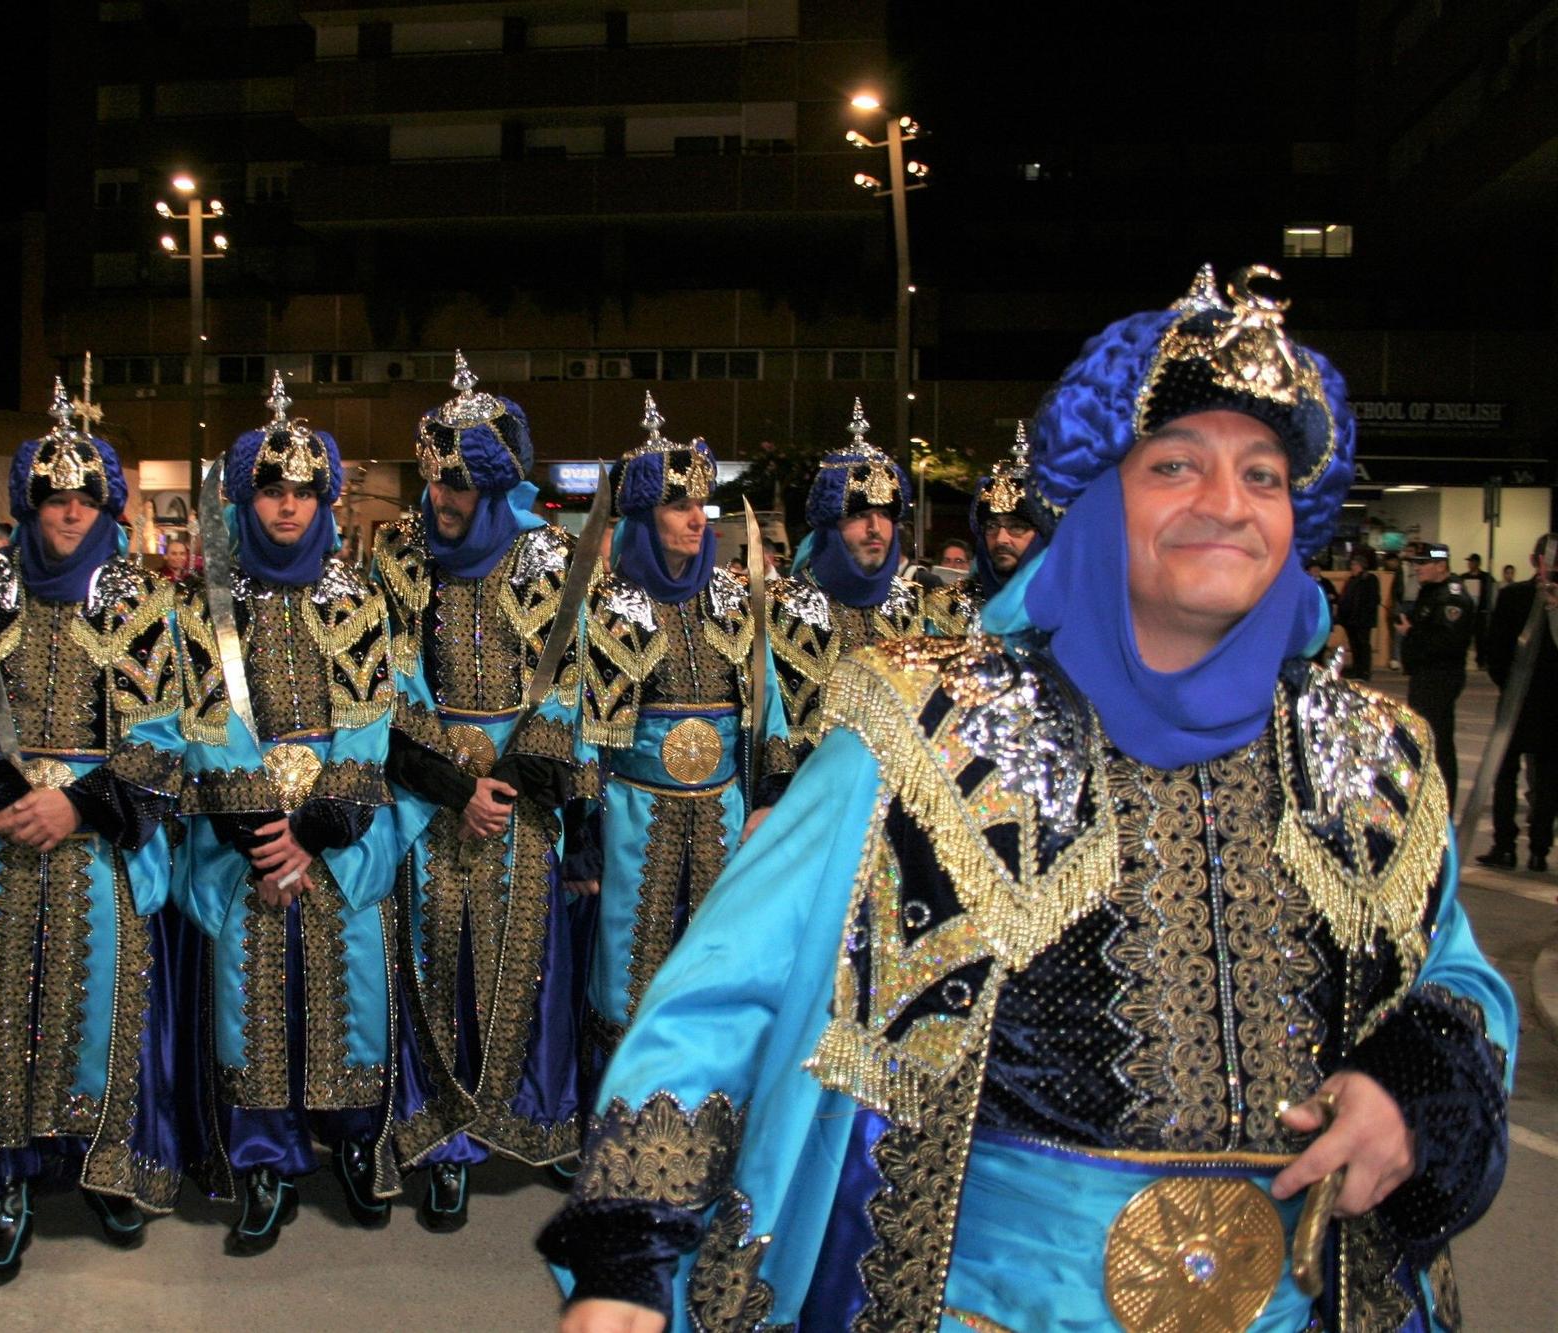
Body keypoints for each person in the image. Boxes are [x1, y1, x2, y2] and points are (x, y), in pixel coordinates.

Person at [539, 265, 1515, 1333]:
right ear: (1097, 500)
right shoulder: (924, 725)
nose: (1226, 506)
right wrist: (625, 1257)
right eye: (1175, 465)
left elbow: (1452, 981)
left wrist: (1412, 1089)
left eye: (1264, 475)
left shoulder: (1370, 756)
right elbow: (724, 992)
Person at [0, 381, 185, 1285]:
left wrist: (79, 803)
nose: (68, 512)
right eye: (52, 497)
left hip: (96, 845)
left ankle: (101, 1168)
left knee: (98, 1008)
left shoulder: (142, 601)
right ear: (28, 503)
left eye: (84, 498)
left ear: (107, 505)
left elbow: (166, 729)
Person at [174, 376, 401, 1252]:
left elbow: (371, 716)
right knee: (251, 991)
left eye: (304, 490)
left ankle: (351, 1142)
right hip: (244, 840)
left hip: (334, 837)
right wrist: (263, 833)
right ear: (243, 498)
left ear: (325, 500)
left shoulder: (356, 603)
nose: (288, 505)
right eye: (272, 489)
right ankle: (263, 1161)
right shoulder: (202, 607)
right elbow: (202, 720)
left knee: (352, 984)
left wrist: (315, 831)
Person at [372, 353, 594, 1230]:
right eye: (436, 480)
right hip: (429, 797)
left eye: (463, 482)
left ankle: (531, 1114)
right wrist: (450, 783)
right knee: (434, 961)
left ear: (496, 484)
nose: (446, 497)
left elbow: (572, 684)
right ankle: (447, 1137)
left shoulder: (550, 559)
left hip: (519, 799)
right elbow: (383, 680)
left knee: (525, 959)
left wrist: (504, 782)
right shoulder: (401, 558)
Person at [574, 392, 793, 1098]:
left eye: (703, 505)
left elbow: (766, 705)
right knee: (627, 963)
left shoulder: (732, 601)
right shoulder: (609, 606)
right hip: (634, 814)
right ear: (643, 516)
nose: (698, 519)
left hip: (723, 814)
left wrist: (768, 797)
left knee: (717, 958)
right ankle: (621, 1109)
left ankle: (707, 1107)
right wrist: (586, 832)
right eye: (678, 506)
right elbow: (583, 729)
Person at [767, 399, 924, 757]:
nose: (875, 529)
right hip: (810, 791)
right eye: (860, 516)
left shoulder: (911, 603)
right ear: (831, 526)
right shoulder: (782, 604)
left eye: (884, 515)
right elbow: (767, 714)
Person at [927, 420, 1054, 635]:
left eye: (1016, 527)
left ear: (1041, 534)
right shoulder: (949, 606)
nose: (1002, 538)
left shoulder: (1063, 601)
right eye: (992, 526)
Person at [1475, 543, 1558, 872]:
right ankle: (1539, 849)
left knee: (1507, 774)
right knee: (1548, 778)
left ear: (1533, 560)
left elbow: (1495, 652)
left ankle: (1505, 845)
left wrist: (1508, 686)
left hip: (1517, 701)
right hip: (1552, 704)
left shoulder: (1512, 597)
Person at [1398, 543, 1476, 811]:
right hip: (1426, 675)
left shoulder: (1451, 598)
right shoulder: (1432, 593)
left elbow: (1447, 642)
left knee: (1437, 742)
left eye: (1423, 563)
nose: (1417, 568)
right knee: (1426, 740)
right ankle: (1429, 802)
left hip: (1439, 676)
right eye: (1415, 563)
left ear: (1441, 565)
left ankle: (1442, 806)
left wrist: (1412, 633)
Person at [1336, 548, 1383, 680]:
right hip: (1351, 619)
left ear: (1360, 565)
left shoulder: (1369, 579)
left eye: (1354, 565)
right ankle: (1357, 669)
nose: (1352, 567)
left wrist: (1363, 612)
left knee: (1363, 645)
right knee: (1355, 645)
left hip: (1362, 619)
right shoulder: (1352, 579)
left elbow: (1373, 599)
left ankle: (1364, 671)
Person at [1463, 553, 1493, 668]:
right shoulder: (1464, 577)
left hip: (1481, 612)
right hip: (1468, 612)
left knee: (1480, 638)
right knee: (1465, 636)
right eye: (1469, 562)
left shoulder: (1485, 578)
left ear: (1477, 563)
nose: (1469, 564)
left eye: (1472, 562)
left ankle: (1481, 660)